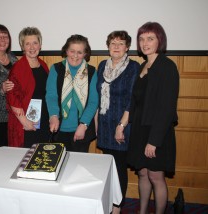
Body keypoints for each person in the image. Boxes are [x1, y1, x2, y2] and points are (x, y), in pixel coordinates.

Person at [127, 22, 179, 214]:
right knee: (142, 173)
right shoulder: (143, 65)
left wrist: (154, 141)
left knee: (156, 176)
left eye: (150, 38)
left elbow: (166, 108)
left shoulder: (167, 67)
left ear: (160, 40)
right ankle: (141, 212)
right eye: (141, 39)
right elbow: (136, 101)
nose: (145, 43)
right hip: (140, 129)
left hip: (157, 132)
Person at [96, 31, 139, 213]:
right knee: (107, 167)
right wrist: (97, 123)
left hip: (122, 125)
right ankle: (108, 202)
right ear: (108, 46)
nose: (116, 46)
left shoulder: (133, 67)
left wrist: (121, 126)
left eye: (120, 43)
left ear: (127, 47)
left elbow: (132, 100)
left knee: (119, 168)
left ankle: (117, 207)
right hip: (105, 125)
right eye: (113, 43)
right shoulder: (101, 66)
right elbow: (98, 97)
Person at [46, 34, 98, 152]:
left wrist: (83, 125)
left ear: (85, 53)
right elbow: (51, 96)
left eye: (80, 52)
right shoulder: (56, 69)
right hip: (58, 130)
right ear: (66, 51)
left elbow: (93, 101)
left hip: (81, 130)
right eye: (72, 51)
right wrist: (53, 116)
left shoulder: (92, 71)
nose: (75, 55)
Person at [7, 27, 49, 148]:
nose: (32, 47)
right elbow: (12, 98)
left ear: (40, 45)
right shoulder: (18, 68)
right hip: (25, 122)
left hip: (43, 119)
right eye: (27, 44)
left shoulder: (44, 65)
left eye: (35, 43)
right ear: (22, 47)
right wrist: (25, 121)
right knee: (27, 157)